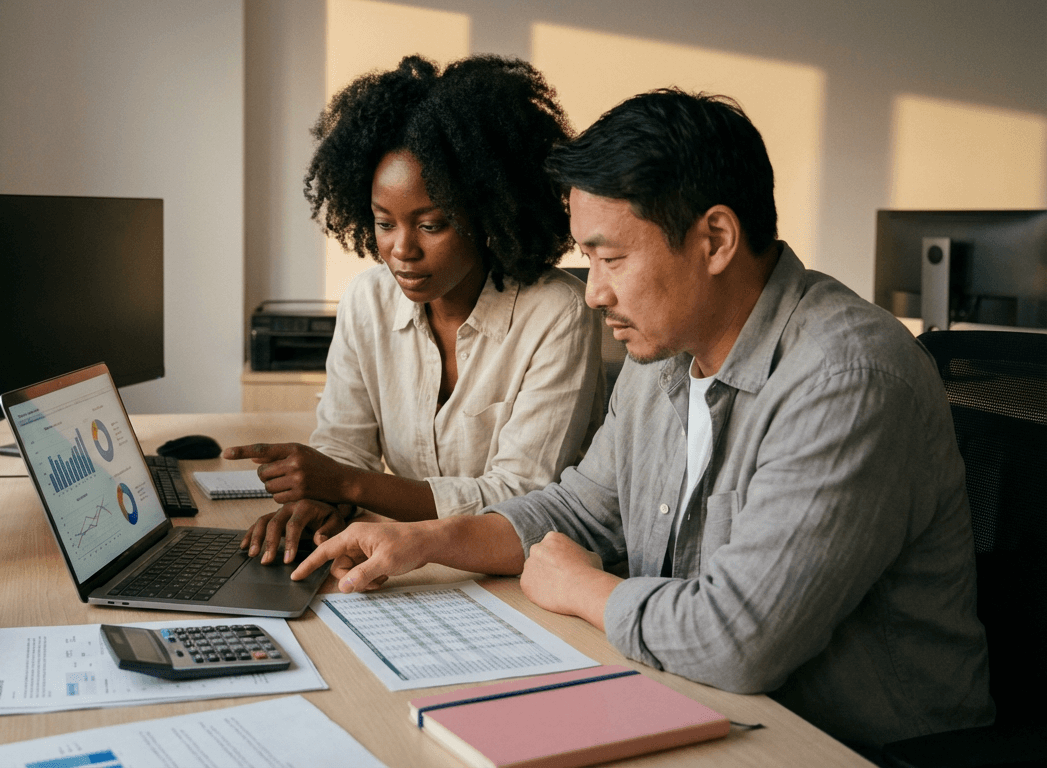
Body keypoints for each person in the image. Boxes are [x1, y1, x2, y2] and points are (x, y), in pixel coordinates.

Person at [291, 88, 993, 750]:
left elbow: (738, 639)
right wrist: (426, 541)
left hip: (841, 746)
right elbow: (582, 510)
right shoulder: (663, 355)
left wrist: (584, 587)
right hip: (697, 705)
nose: (593, 293)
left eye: (611, 258)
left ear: (715, 239)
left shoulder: (846, 378)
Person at [228, 55, 604, 566]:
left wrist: (344, 482)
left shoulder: (557, 315)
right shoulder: (367, 301)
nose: (402, 249)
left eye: (431, 225)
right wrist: (315, 502)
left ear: (490, 213)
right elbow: (345, 448)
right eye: (385, 223)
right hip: (403, 564)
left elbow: (520, 497)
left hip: (519, 576)